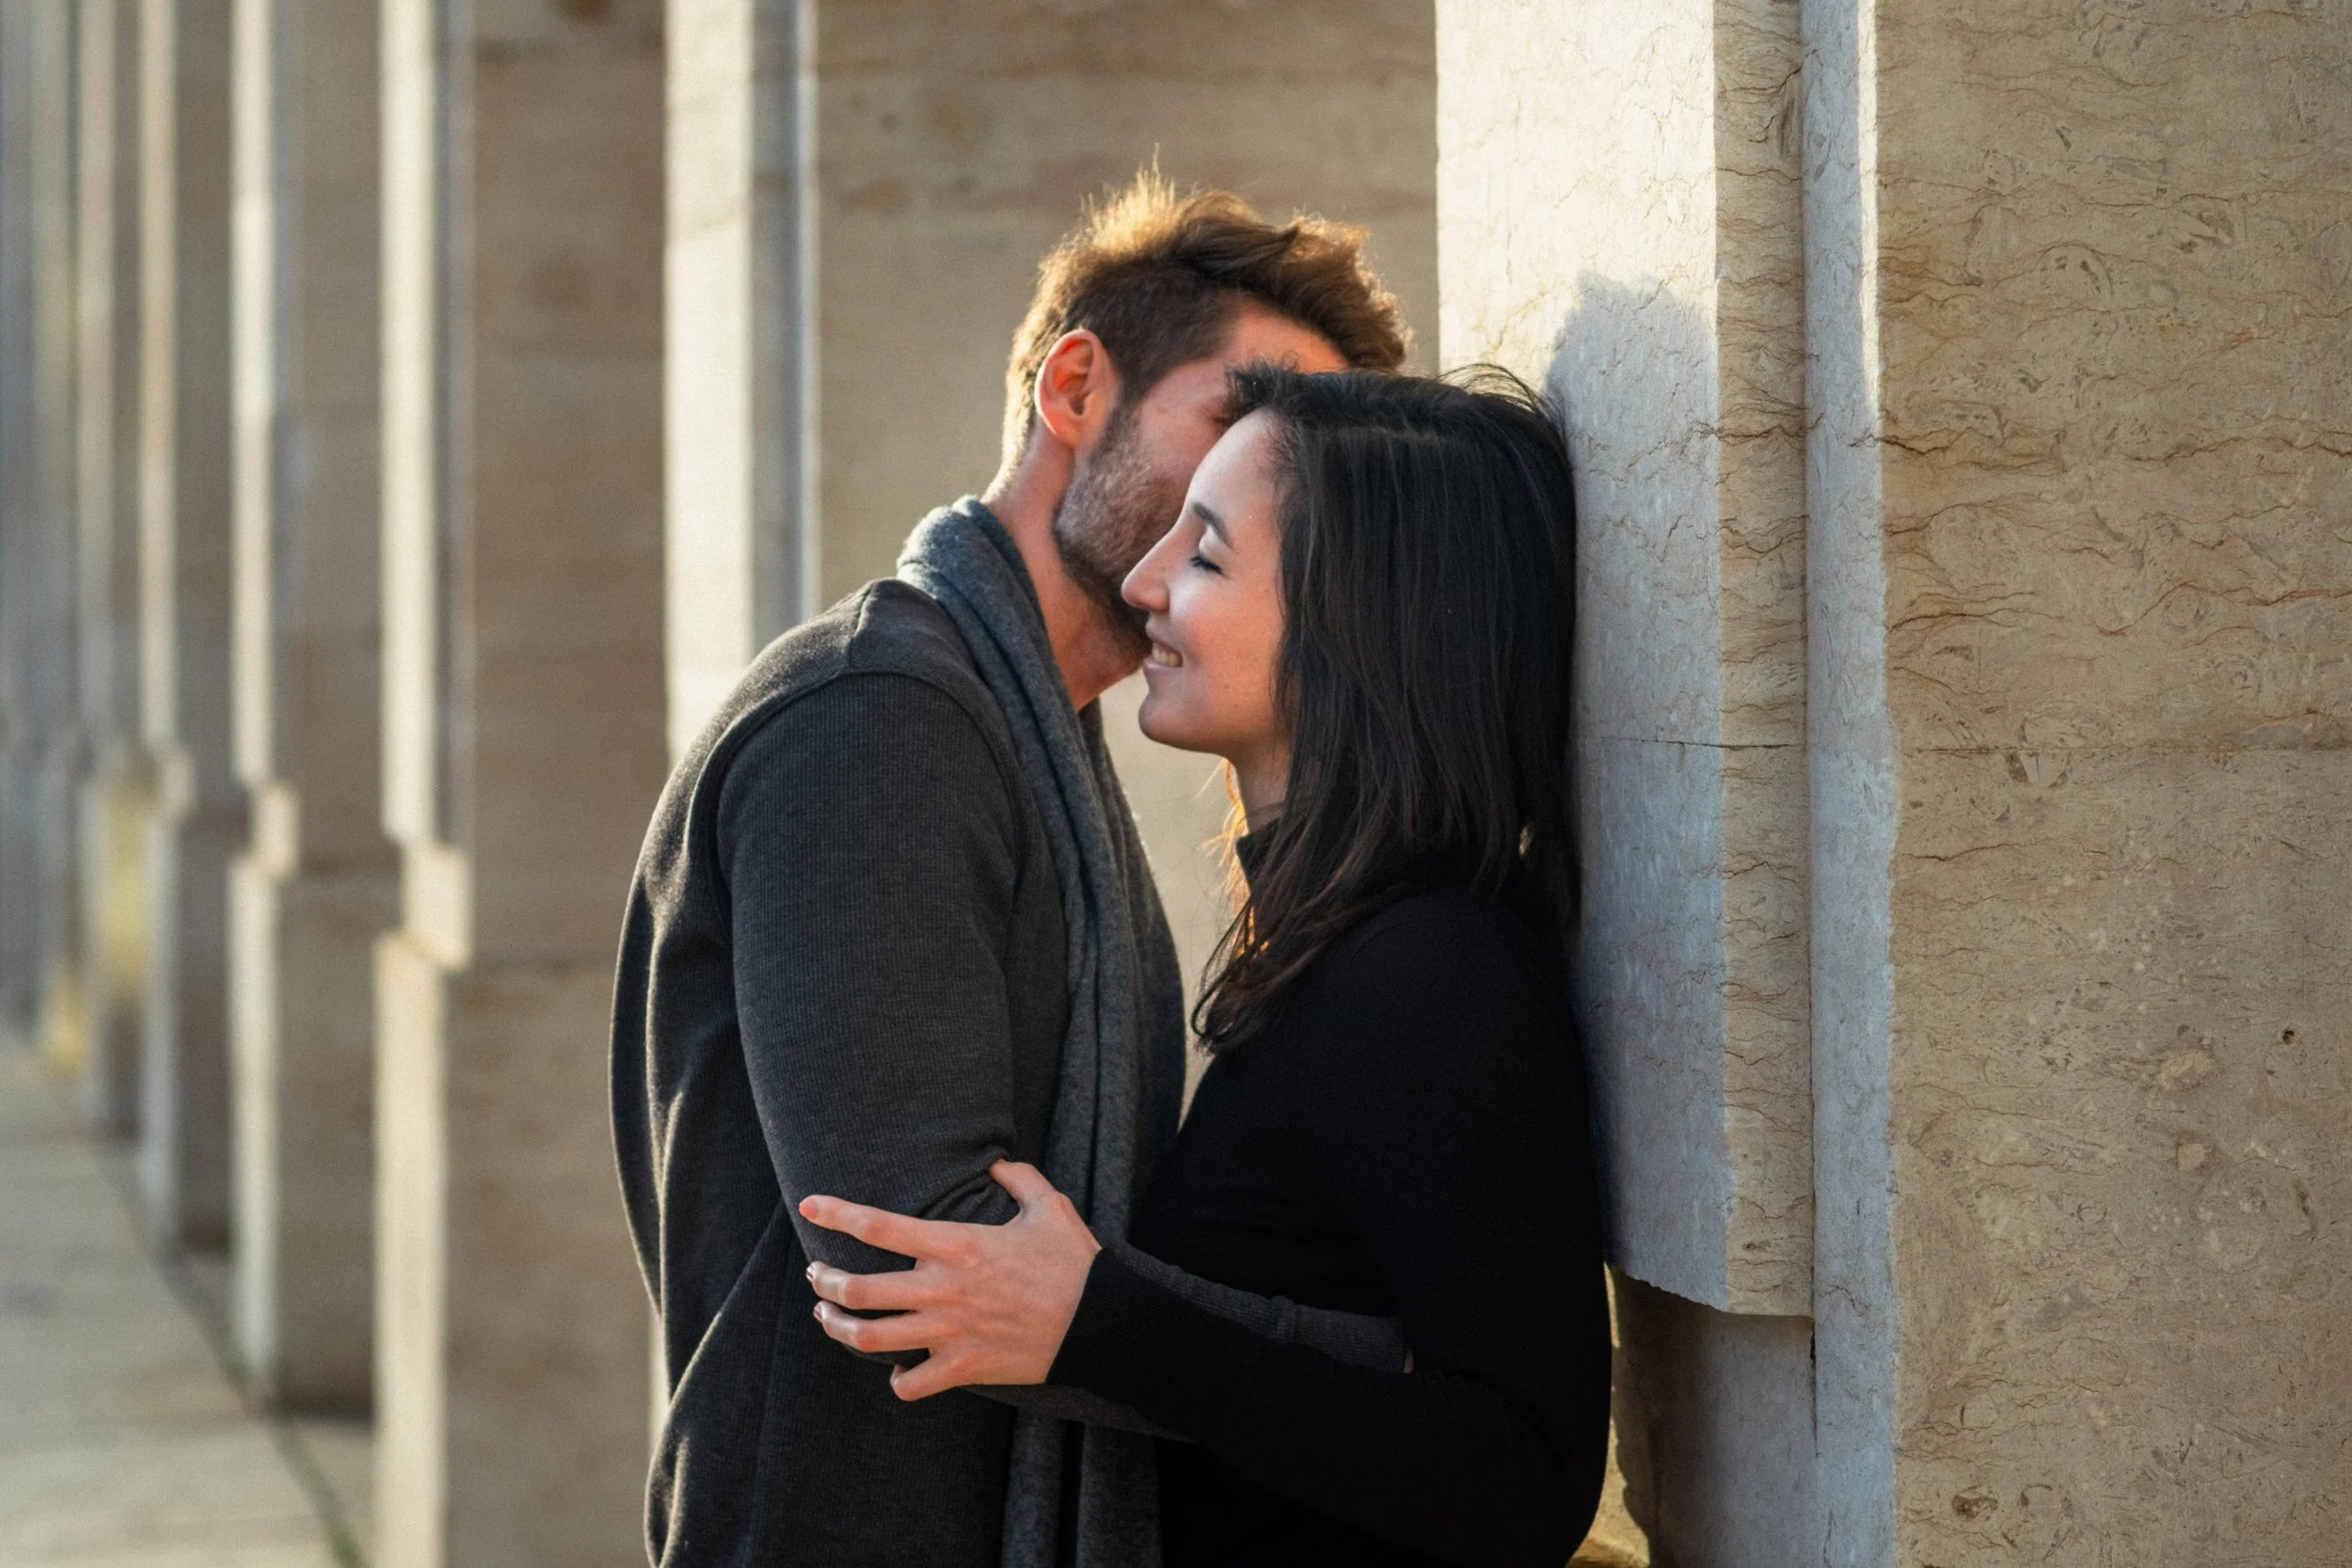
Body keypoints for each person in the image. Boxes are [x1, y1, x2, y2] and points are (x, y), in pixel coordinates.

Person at [609, 176, 1409, 1568]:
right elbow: (916, 1252)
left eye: (1304, 467)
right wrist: (1374, 1377)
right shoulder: (879, 721)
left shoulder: (1037, 736)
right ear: (1077, 387)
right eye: (1238, 421)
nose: (1261, 496)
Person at [799, 366, 1614, 1568]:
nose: (1141, 582)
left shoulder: (1432, 974)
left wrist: (1099, 1323)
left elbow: (1524, 1474)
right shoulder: (1340, 947)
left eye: (1208, 555)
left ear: (1360, 624)